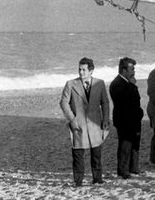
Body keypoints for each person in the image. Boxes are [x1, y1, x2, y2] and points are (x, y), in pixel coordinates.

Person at [60, 57, 110, 187]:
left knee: (97, 153)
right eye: (79, 69)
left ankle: (97, 179)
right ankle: (78, 181)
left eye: (83, 70)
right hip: (78, 124)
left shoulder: (99, 83)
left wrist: (105, 119)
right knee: (78, 154)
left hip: (95, 124)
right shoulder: (70, 84)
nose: (80, 72)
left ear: (91, 71)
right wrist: (72, 119)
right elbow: (63, 102)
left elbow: (105, 102)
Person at [109, 57, 144, 179]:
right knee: (125, 145)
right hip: (124, 120)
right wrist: (133, 85)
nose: (133, 71)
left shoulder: (127, 83)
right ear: (124, 70)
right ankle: (122, 170)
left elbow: (135, 101)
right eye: (131, 69)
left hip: (133, 119)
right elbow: (125, 101)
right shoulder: (117, 83)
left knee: (135, 145)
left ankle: (133, 168)